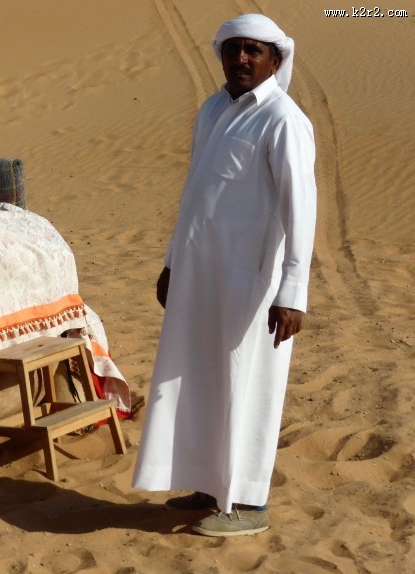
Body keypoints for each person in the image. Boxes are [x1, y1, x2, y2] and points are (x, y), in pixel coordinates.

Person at [131, 13, 317, 537]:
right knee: (203, 376)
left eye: (253, 51)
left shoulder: (283, 119)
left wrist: (293, 292)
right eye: (232, 49)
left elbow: (301, 211)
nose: (240, 59)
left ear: (275, 60)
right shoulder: (213, 109)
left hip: (253, 283)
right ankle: (212, 485)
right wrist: (172, 263)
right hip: (201, 274)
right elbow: (195, 196)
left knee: (248, 383)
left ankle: (249, 504)